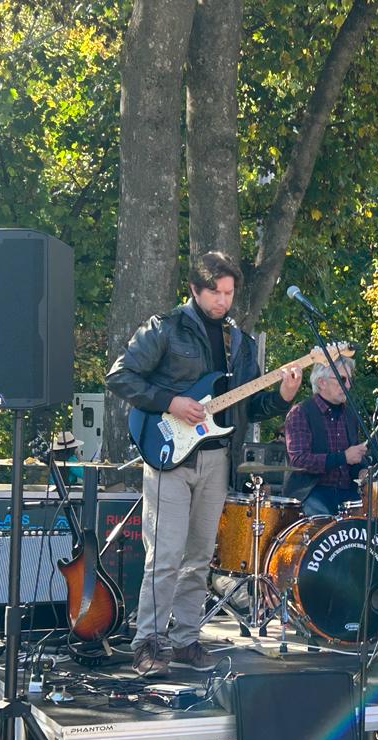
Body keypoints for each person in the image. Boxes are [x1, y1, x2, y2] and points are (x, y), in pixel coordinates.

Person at [106, 251, 301, 677]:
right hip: (168, 456)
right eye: (215, 292)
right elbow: (120, 376)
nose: (223, 301)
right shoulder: (165, 328)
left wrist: (283, 395)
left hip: (216, 458)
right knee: (166, 554)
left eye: (229, 293)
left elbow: (252, 406)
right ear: (195, 289)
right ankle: (148, 641)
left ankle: (186, 639)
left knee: (198, 556)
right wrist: (171, 401)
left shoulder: (241, 344)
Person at [284, 356, 368, 516]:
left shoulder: (350, 416)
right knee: (323, 524)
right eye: (342, 379)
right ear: (322, 382)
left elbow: (353, 458)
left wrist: (362, 470)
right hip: (310, 492)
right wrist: (343, 457)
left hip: (347, 495)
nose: (348, 385)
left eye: (349, 379)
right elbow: (299, 460)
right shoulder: (301, 412)